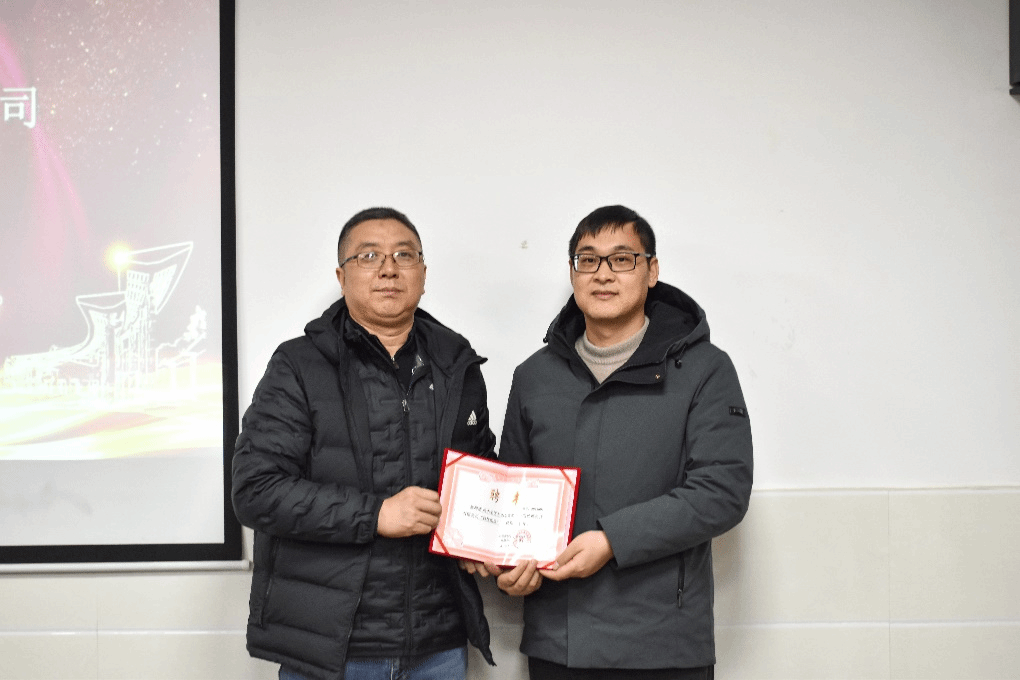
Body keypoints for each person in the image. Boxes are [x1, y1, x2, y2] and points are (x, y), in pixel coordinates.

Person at [469, 205, 753, 679]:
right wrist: (509, 567)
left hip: (663, 646)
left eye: (622, 259)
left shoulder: (704, 370)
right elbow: (515, 497)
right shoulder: (534, 376)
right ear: (573, 273)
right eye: (588, 260)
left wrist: (612, 540)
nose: (603, 274)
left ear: (651, 271)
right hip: (558, 646)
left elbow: (722, 492)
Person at [232, 207, 497, 680]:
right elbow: (256, 491)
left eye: (404, 255)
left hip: (439, 644)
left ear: (423, 274)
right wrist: (377, 514)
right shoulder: (299, 366)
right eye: (369, 256)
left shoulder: (457, 365)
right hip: (331, 648)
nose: (389, 268)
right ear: (342, 276)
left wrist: (496, 540)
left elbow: (480, 475)